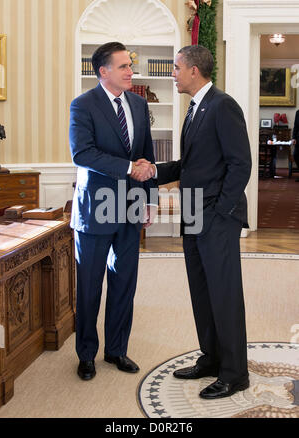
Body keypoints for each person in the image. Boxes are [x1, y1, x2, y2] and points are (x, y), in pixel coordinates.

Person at [140, 45, 252, 399]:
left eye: (175, 67)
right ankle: (212, 358)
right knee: (202, 293)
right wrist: (154, 170)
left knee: (224, 294)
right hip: (193, 214)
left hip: (216, 218)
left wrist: (221, 211)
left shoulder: (222, 105)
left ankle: (235, 373)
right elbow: (190, 166)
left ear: (193, 70)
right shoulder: (195, 108)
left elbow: (241, 164)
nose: (172, 73)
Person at [69, 41, 156, 380]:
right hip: (96, 209)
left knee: (124, 283)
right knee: (90, 287)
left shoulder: (138, 103)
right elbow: (82, 154)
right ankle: (86, 354)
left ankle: (117, 350)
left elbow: (146, 153)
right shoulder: (83, 105)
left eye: (130, 65)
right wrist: (128, 167)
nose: (130, 71)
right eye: (123, 66)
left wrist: (148, 199)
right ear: (103, 71)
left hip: (132, 206)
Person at [292, 109, 299, 181]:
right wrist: (293, 138)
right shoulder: (298, 112)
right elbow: (295, 127)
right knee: (296, 156)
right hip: (298, 139)